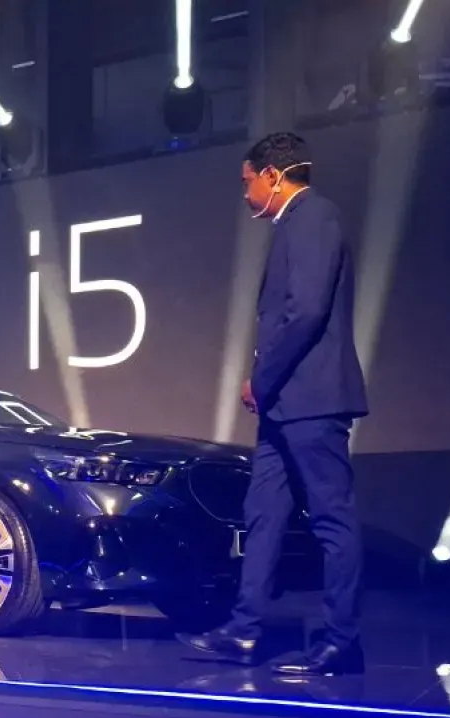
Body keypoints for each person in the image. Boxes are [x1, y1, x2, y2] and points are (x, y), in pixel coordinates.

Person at [179, 132, 368, 676]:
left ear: (273, 176)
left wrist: (261, 380)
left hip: (312, 400)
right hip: (284, 404)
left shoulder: (314, 217)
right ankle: (244, 630)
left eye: (248, 182)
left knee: (331, 519)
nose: (245, 195)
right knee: (262, 516)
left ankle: (342, 641)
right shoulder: (293, 224)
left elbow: (305, 311)